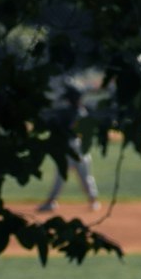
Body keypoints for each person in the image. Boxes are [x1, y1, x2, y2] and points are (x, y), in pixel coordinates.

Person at [36, 84, 101, 213]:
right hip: (71, 148)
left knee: (83, 177)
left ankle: (93, 201)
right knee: (62, 176)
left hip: (77, 148)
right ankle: (51, 202)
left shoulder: (77, 113)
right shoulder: (71, 112)